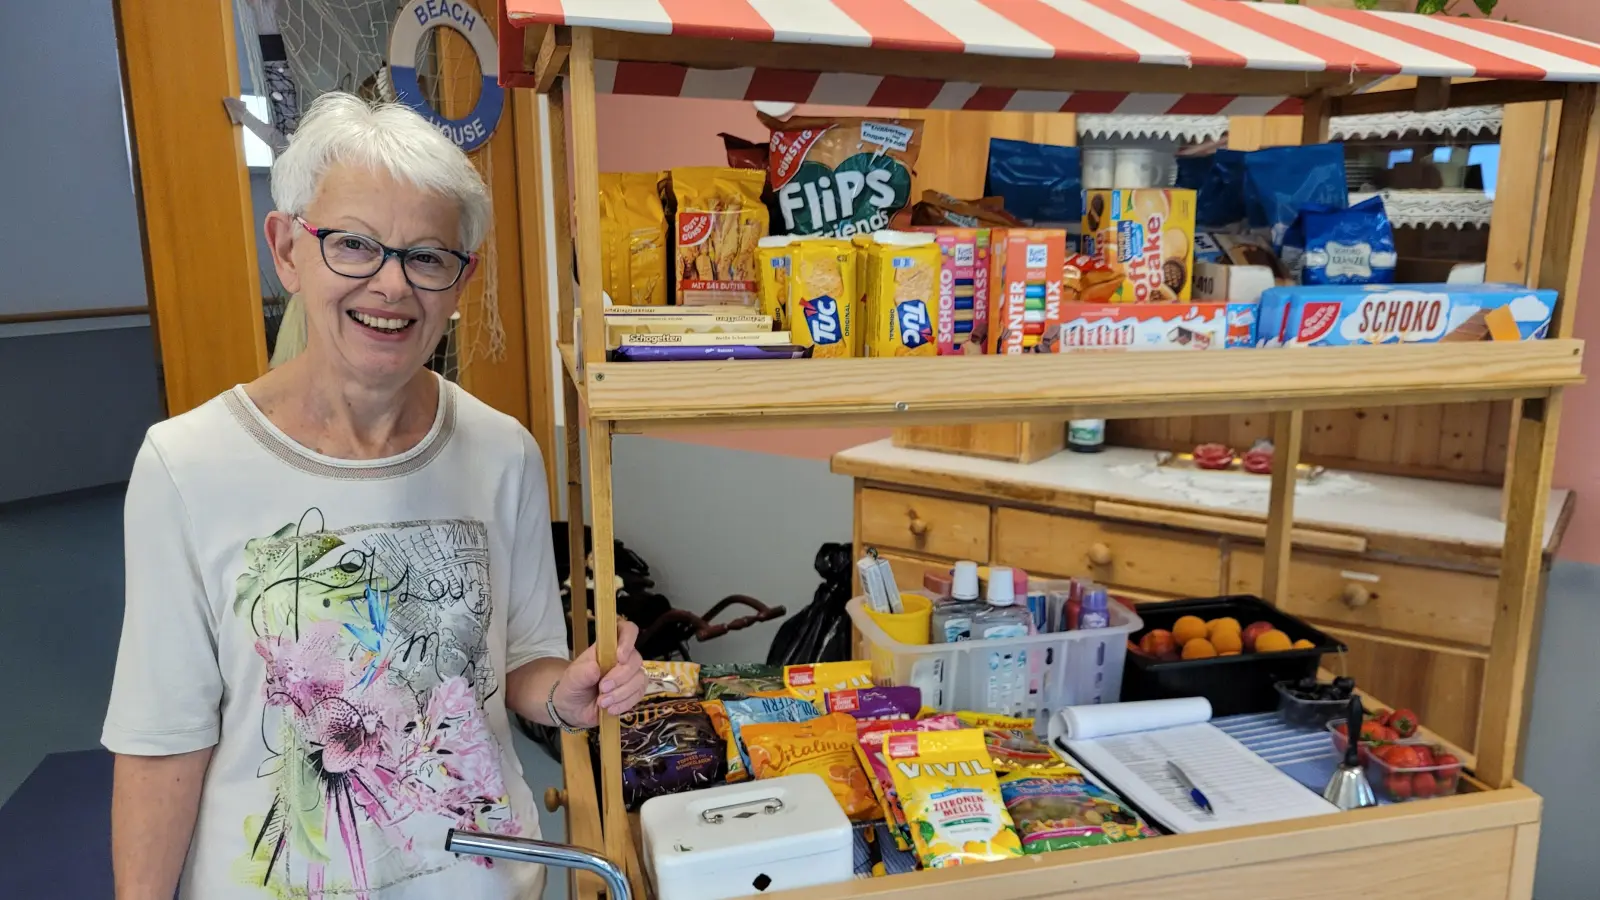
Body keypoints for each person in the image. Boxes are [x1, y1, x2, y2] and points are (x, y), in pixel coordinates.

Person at [102, 92, 647, 900]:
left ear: (462, 281)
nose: (391, 286)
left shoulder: (502, 451)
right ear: (288, 249)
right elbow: (161, 742)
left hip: (486, 882)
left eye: (427, 257)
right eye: (353, 245)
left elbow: (522, 660)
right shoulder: (187, 465)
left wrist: (564, 696)